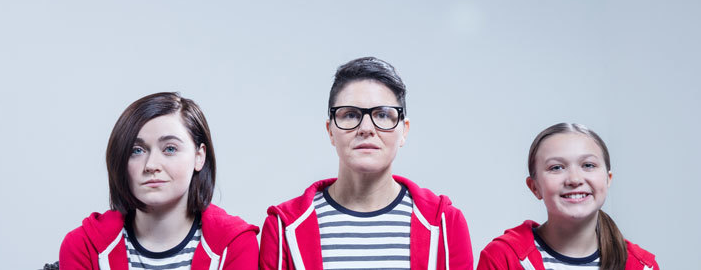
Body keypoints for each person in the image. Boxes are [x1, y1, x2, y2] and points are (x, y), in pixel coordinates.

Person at [259, 57, 473, 270]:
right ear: (330, 131)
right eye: (351, 115)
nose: (366, 128)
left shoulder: (445, 224)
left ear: (404, 131)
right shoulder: (283, 227)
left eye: (382, 114)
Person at [60, 92, 259, 270]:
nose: (151, 165)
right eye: (136, 151)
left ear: (199, 156)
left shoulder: (235, 243)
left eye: (170, 149)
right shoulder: (83, 245)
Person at [477, 123, 659, 270]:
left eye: (588, 165)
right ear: (534, 187)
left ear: (607, 179)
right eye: (556, 167)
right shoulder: (502, 259)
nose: (574, 179)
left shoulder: (641, 266)